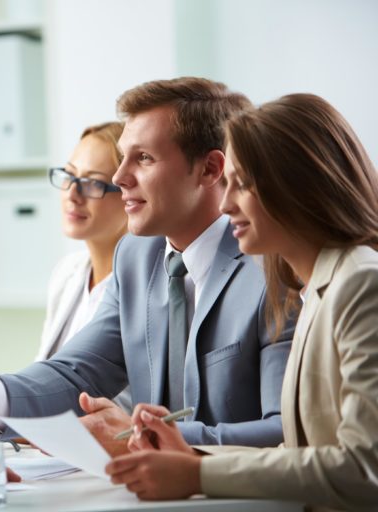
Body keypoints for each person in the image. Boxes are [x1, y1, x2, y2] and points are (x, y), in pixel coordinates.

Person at [0, 77, 293, 453]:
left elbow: (284, 431)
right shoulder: (136, 256)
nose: (120, 178)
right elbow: (76, 373)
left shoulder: (273, 270)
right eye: (123, 158)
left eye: (144, 158)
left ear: (210, 169)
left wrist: (143, 438)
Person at [105, 93, 378, 511]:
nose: (226, 202)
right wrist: (184, 453)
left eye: (242, 185)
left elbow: (364, 468)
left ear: (299, 186)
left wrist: (197, 473)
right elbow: (301, 453)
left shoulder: (361, 284)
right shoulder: (318, 286)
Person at [41, 121, 131, 411]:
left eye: (92, 183)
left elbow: (121, 405)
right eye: (69, 175)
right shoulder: (67, 272)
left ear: (130, 192)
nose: (72, 194)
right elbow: (41, 376)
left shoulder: (144, 285)